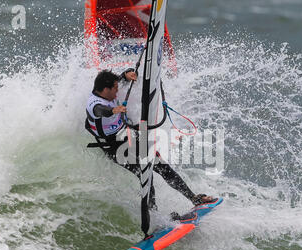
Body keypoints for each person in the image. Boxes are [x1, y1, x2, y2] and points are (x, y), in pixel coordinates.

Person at [85, 69, 214, 217]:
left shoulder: (107, 89)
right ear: (106, 89)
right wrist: (114, 110)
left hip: (128, 138)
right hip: (114, 148)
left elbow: (121, 79)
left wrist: (127, 74)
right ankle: (153, 218)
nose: (117, 91)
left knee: (162, 166)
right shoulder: (94, 104)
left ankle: (194, 198)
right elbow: (101, 111)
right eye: (115, 89)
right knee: (146, 176)